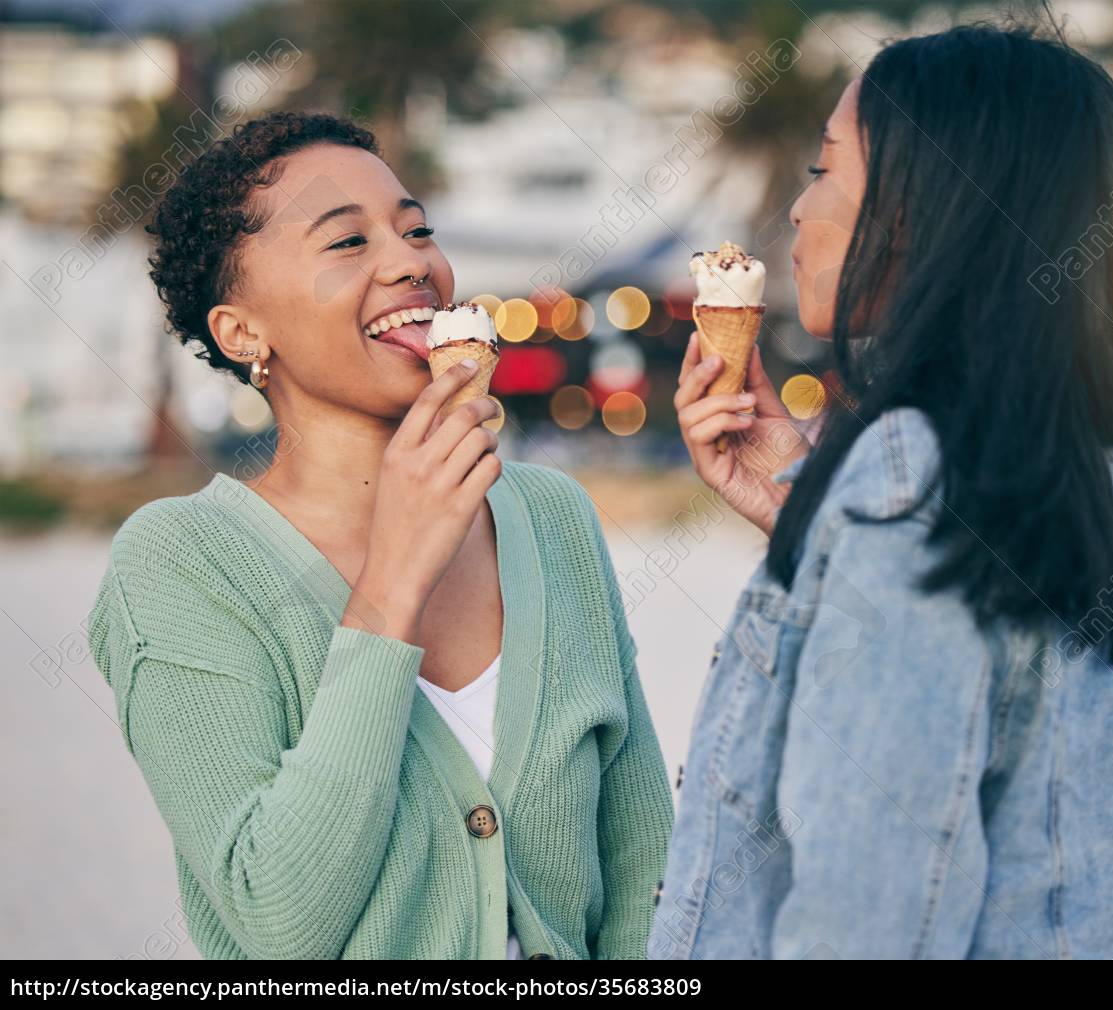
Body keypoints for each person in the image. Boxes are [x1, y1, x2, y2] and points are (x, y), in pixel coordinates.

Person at [654, 25, 1113, 959]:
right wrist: (813, 510)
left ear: (917, 211)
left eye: (824, 171)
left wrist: (869, 512)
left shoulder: (912, 478)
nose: (797, 210)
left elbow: (869, 914)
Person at [86, 112, 673, 959]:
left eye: (416, 229)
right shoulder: (180, 563)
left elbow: (641, 859)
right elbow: (278, 920)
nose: (412, 264)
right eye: (346, 243)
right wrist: (393, 581)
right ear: (243, 332)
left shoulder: (551, 516)